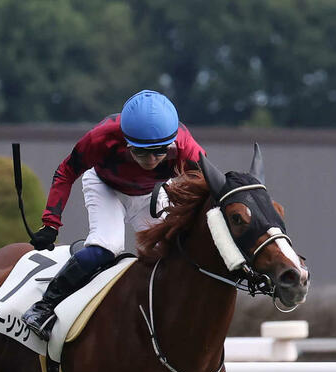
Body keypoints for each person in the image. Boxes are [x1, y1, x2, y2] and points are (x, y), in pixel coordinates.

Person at [22, 90, 205, 341]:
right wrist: (51, 224)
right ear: (125, 141)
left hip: (150, 191)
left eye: (160, 151)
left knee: (172, 253)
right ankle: (43, 308)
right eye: (140, 152)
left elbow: (209, 187)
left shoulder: (187, 147)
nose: (151, 160)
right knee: (106, 248)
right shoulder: (101, 137)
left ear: (172, 142)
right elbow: (66, 171)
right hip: (105, 185)